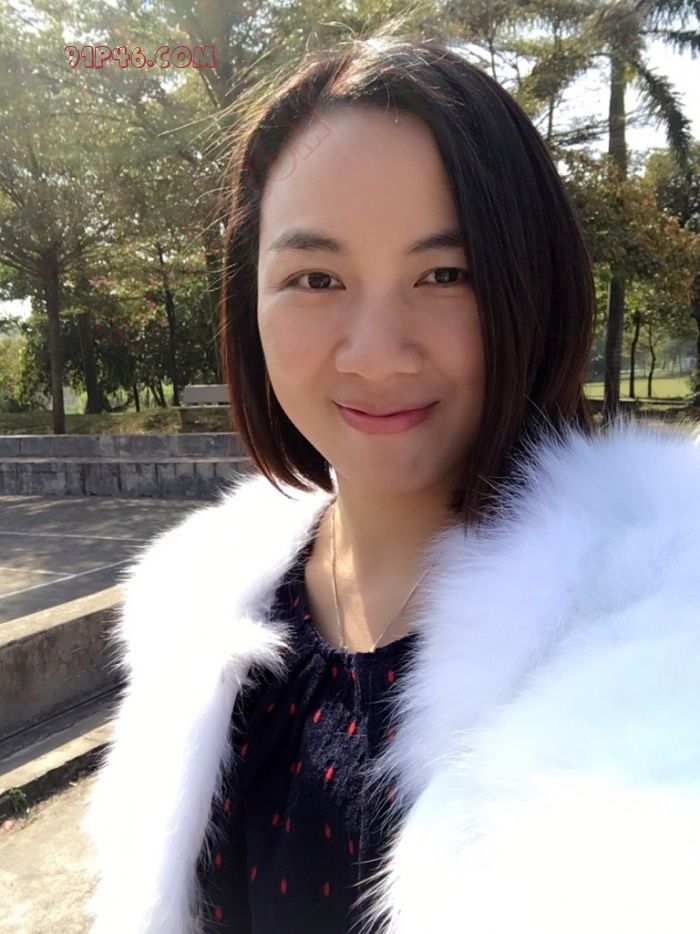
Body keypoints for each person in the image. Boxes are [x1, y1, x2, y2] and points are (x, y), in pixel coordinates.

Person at [81, 30, 700, 934]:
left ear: (536, 287)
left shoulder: (662, 641)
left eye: (445, 274)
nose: (374, 355)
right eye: (315, 278)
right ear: (249, 302)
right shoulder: (201, 614)